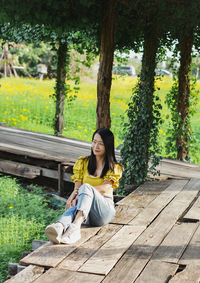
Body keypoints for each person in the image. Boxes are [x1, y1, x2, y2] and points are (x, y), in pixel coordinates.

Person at [45, 128, 122, 244]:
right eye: (94, 142)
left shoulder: (114, 167)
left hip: (104, 211)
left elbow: (105, 188)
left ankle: (75, 228)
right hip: (86, 210)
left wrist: (81, 193)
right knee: (77, 201)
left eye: (100, 144)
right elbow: (77, 188)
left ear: (108, 146)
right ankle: (59, 226)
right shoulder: (83, 162)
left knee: (85, 188)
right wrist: (72, 198)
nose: (96, 146)